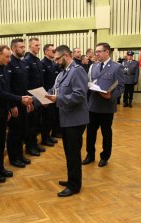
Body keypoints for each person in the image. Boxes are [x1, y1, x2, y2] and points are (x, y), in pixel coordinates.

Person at [0, 45, 32, 182]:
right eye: (7, 56)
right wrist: (19, 100)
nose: (9, 59)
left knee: (0, 143)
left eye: (10, 56)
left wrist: (9, 107)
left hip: (3, 110)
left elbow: (8, 89)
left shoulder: (4, 69)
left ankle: (0, 168)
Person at [45, 45, 89, 197]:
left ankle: (74, 186)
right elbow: (53, 90)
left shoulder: (77, 71)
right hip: (66, 118)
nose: (56, 61)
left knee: (73, 153)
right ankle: (72, 179)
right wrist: (35, 98)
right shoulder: (63, 73)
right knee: (69, 152)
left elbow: (79, 95)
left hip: (75, 120)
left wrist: (58, 99)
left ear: (67, 56)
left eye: (58, 58)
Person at [83, 42, 124, 167]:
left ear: (107, 52)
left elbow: (121, 87)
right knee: (90, 133)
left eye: (99, 51)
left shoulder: (117, 67)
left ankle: (105, 156)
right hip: (93, 105)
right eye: (96, 51)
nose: (96, 54)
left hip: (107, 106)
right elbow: (89, 82)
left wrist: (111, 96)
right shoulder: (93, 66)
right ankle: (90, 155)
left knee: (106, 133)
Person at [6, 38, 32, 168]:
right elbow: (8, 87)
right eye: (21, 47)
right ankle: (13, 157)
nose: (24, 49)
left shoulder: (22, 63)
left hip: (23, 102)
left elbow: (24, 85)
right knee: (14, 132)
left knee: (22, 130)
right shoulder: (9, 63)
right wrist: (12, 105)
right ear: (14, 48)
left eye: (23, 47)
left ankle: (20, 154)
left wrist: (28, 101)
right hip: (15, 103)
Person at [24, 37, 45, 156]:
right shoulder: (27, 60)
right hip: (31, 96)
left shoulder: (37, 59)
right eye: (36, 45)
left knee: (37, 121)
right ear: (30, 46)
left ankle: (35, 143)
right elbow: (26, 82)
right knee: (31, 123)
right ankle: (29, 146)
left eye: (39, 45)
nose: (38, 47)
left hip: (39, 94)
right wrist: (28, 99)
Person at [40, 44, 60, 146]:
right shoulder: (42, 63)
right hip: (46, 94)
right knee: (46, 118)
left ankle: (49, 136)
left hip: (52, 94)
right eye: (52, 51)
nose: (54, 52)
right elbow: (42, 81)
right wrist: (44, 97)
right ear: (46, 52)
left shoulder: (53, 63)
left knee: (51, 117)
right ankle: (45, 138)